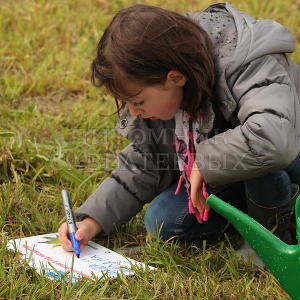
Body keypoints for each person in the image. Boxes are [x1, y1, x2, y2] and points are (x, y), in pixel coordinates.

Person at [58, 3, 300, 260]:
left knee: (259, 153)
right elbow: (147, 161)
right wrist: (92, 220)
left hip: (288, 153)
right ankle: (252, 210)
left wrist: (204, 162)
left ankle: (273, 232)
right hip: (230, 169)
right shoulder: (164, 75)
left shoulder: (247, 60)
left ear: (175, 78)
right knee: (163, 221)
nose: (134, 111)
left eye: (138, 102)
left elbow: (273, 139)